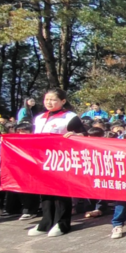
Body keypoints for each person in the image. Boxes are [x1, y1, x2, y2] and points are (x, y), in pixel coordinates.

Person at [28, 88, 87, 237]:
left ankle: (62, 223)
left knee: (60, 192)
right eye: (47, 99)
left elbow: (84, 134)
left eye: (53, 99)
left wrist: (76, 135)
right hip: (42, 158)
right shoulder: (39, 118)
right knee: (45, 191)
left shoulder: (70, 117)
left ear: (63, 101)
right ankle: (46, 222)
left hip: (61, 159)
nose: (49, 102)